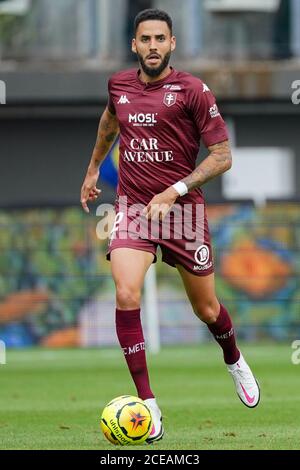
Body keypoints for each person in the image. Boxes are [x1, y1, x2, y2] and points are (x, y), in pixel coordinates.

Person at [80, 8, 260, 444]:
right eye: (146, 39)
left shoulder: (194, 91)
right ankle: (148, 404)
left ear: (172, 44)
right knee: (125, 292)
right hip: (134, 208)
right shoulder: (118, 86)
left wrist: (175, 190)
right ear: (134, 45)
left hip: (182, 212)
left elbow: (222, 156)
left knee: (208, 310)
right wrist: (92, 170)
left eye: (161, 38)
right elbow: (109, 122)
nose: (153, 46)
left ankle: (234, 359)